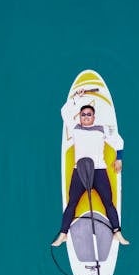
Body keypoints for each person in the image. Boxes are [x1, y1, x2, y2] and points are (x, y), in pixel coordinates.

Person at [52, 102, 130, 246]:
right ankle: (63, 234)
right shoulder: (75, 128)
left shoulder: (102, 129)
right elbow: (64, 111)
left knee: (108, 203)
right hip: (79, 171)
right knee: (72, 203)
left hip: (99, 170)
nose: (86, 116)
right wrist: (76, 98)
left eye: (89, 114)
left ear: (94, 117)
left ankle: (117, 233)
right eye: (83, 115)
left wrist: (119, 159)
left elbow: (119, 141)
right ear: (79, 117)